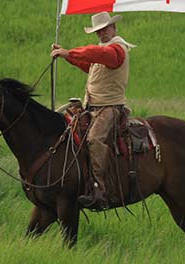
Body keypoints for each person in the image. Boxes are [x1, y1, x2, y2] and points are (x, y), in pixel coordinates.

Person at [51, 11, 136, 209]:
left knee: (94, 139)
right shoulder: (103, 51)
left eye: (104, 29)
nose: (102, 33)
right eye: (98, 31)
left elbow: (98, 55)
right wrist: (66, 56)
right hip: (92, 106)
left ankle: (100, 189)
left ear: (114, 28)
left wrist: (68, 53)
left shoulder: (116, 49)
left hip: (110, 107)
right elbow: (88, 64)